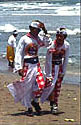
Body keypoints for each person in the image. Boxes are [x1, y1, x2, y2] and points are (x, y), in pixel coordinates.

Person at [7, 20, 52, 116]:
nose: (38, 32)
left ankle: (35, 101)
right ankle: (29, 107)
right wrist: (19, 67)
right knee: (27, 87)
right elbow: (18, 53)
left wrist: (45, 31)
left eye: (39, 30)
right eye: (36, 30)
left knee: (41, 84)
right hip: (27, 65)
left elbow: (48, 44)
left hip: (36, 64)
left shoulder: (38, 38)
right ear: (31, 29)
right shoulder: (24, 39)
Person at [40, 27, 70, 114]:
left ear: (65, 37)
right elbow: (48, 60)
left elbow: (66, 59)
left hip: (59, 67)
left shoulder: (66, 45)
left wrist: (63, 72)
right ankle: (51, 103)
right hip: (51, 67)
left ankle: (54, 104)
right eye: (58, 36)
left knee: (57, 86)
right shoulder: (51, 45)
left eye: (62, 36)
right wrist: (48, 74)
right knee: (51, 86)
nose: (60, 38)